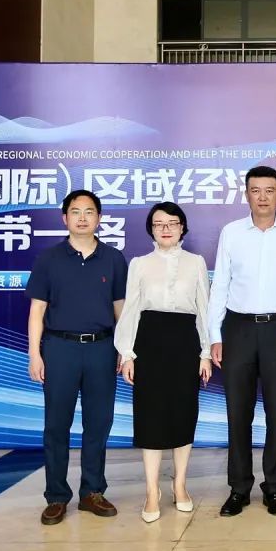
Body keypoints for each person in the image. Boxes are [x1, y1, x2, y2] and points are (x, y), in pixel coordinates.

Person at [208, 165, 276, 517]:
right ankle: (238, 488)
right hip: (237, 329)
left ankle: (274, 488)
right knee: (237, 413)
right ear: (247, 195)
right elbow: (220, 285)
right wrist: (215, 335)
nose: (263, 197)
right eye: (256, 190)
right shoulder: (231, 232)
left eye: (269, 190)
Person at [27, 189, 128, 525]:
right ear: (64, 218)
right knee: (57, 425)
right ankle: (56, 496)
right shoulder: (49, 259)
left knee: (98, 423)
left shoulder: (113, 258)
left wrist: (125, 349)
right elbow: (37, 310)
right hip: (60, 349)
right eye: (75, 211)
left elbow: (120, 308)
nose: (82, 218)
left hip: (102, 349)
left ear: (99, 218)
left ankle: (92, 492)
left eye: (89, 212)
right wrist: (34, 354)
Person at [115, 202, 212, 523]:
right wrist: (127, 353)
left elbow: (204, 307)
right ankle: (151, 489)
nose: (166, 228)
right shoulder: (140, 264)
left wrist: (205, 352)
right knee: (151, 416)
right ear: (151, 229)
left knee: (183, 413)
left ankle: (180, 484)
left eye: (172, 222)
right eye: (159, 224)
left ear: (183, 227)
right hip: (149, 341)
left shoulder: (196, 263)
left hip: (185, 341)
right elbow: (131, 309)